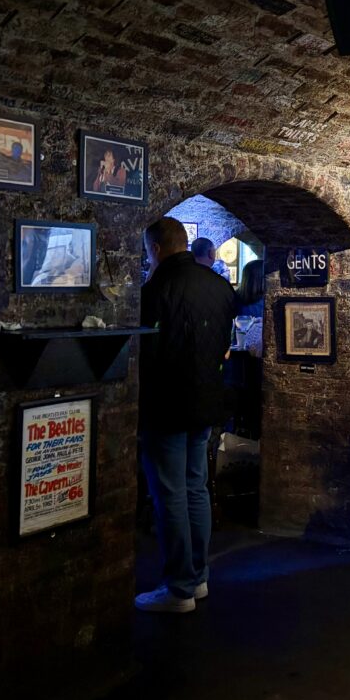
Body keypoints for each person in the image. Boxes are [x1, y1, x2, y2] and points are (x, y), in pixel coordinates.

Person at [136, 217, 236, 613]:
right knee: (197, 487)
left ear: (157, 248)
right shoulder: (217, 285)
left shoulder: (156, 288)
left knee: (170, 492)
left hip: (168, 405)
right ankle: (198, 578)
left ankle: (178, 588)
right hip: (207, 401)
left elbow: (149, 353)